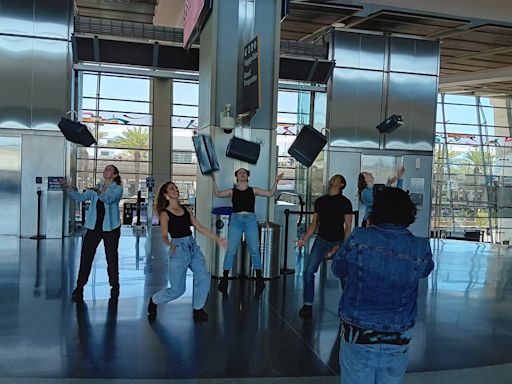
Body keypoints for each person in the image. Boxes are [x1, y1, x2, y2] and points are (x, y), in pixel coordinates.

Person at [332, 187, 434, 384]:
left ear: (376, 211)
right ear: (408, 213)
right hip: (398, 337)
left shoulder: (359, 237)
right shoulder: (420, 246)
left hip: (358, 333)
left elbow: (338, 269)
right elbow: (425, 270)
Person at [147, 181, 226, 322]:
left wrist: (217, 239)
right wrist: (171, 245)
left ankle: (198, 309)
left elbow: (199, 227)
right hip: (178, 250)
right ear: (166, 195)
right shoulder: (165, 214)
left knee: (203, 275)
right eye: (172, 189)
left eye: (176, 188)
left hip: (192, 246)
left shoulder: (186, 210)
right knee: (177, 290)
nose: (176, 190)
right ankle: (154, 300)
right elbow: (164, 235)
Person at [211, 168, 284, 293]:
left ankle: (259, 278)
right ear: (237, 177)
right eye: (240, 172)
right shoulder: (232, 191)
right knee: (231, 250)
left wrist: (276, 182)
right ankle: (224, 278)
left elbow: (270, 193)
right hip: (236, 220)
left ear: (247, 176)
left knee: (254, 249)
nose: (242, 173)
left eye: (244, 172)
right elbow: (217, 193)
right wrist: (213, 180)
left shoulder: (253, 190)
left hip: (250, 219)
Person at [60, 164, 123, 302]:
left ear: (114, 175)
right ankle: (79, 287)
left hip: (111, 228)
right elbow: (80, 197)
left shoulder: (117, 189)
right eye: (105, 168)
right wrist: (68, 188)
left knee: (111, 258)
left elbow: (109, 199)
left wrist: (99, 192)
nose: (105, 171)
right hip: (94, 227)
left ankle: (115, 286)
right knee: (86, 257)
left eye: (109, 169)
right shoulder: (97, 188)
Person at [297, 174, 353, 319]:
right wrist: (303, 239)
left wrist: (345, 246)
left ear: (341, 185)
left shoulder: (345, 202)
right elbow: (314, 224)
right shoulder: (321, 201)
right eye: (332, 178)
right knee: (308, 270)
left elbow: (348, 227)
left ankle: (349, 305)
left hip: (338, 241)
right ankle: (307, 304)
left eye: (336, 178)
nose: (332, 179)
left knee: (344, 273)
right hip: (321, 239)